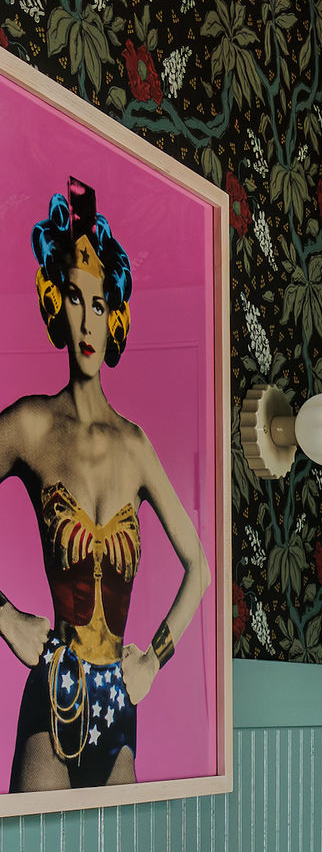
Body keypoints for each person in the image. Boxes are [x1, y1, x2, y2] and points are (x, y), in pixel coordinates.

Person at [0, 181, 210, 790]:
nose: (88, 318)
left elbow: (199, 564)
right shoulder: (30, 426)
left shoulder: (137, 446)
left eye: (100, 303)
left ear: (113, 311)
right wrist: (7, 617)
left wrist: (156, 659)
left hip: (120, 704)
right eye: (74, 297)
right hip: (53, 694)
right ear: (56, 303)